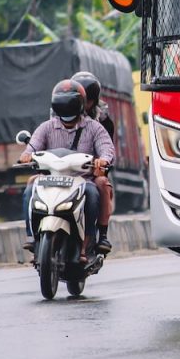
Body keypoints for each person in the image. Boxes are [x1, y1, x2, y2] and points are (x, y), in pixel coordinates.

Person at [19, 79, 115, 255]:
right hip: (50, 179)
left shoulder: (94, 128)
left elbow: (106, 148)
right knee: (31, 184)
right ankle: (31, 235)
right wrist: (26, 156)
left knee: (95, 190)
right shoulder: (46, 127)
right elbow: (32, 147)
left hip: (83, 180)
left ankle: (92, 238)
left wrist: (104, 159)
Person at [71, 70, 115, 251]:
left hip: (90, 170)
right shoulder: (58, 114)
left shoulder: (101, 121)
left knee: (102, 183)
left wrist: (101, 162)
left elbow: (107, 147)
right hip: (63, 168)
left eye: (86, 100)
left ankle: (102, 235)